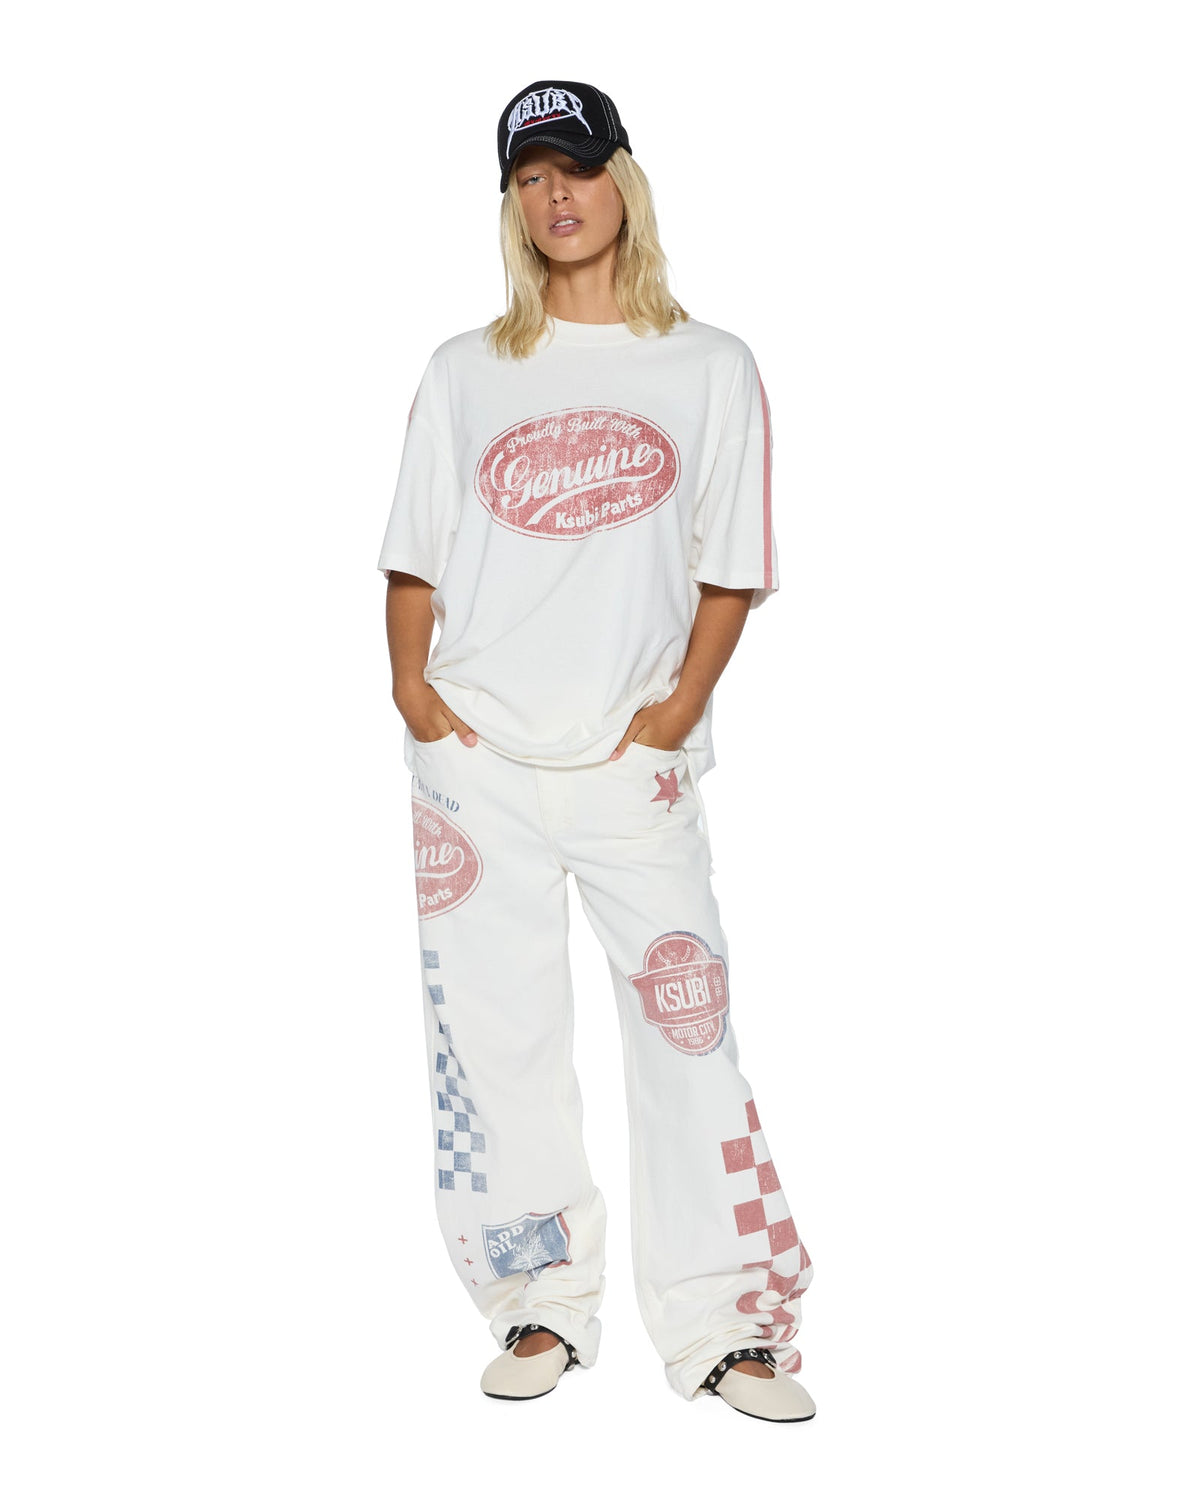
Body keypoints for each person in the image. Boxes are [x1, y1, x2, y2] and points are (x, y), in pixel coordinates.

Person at [377, 79, 816, 1422]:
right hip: (478, 763)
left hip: (635, 765)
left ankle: (729, 1323)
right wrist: (414, 695)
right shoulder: (465, 370)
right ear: (512, 202)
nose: (555, 195)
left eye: (575, 167)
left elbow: (731, 569)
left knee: (689, 1036)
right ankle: (538, 1301)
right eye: (529, 177)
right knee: (495, 1038)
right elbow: (413, 555)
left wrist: (675, 715)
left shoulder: (708, 365)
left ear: (623, 179)